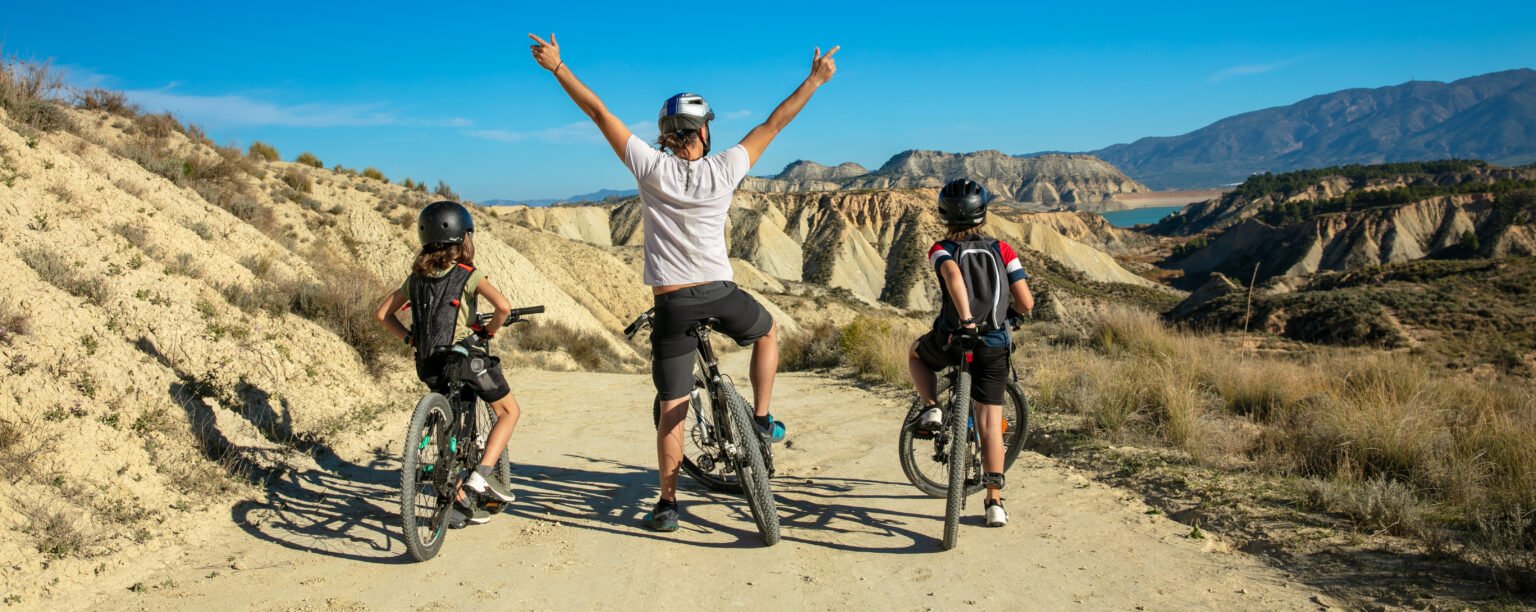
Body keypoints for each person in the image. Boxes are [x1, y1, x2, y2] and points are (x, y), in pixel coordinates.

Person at [527, 32, 839, 532]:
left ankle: (668, 504)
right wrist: (815, 79)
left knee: (673, 406)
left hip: (673, 305)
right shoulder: (725, 168)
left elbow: (599, 114)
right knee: (766, 333)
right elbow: (774, 123)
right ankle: (760, 418)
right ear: (704, 132)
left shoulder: (650, 168)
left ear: (668, 134)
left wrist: (559, 68)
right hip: (720, 292)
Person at [374, 201, 524, 528]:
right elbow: (502, 306)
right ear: (464, 238)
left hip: (428, 364)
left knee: (452, 428)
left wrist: (409, 338)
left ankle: (456, 504)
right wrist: (489, 330)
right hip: (464, 360)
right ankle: (481, 476)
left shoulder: (414, 279)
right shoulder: (467, 275)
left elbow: (382, 315)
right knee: (509, 412)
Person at [908, 179, 1034, 528]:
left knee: (917, 355)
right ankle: (994, 502)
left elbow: (951, 273)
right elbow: (1025, 301)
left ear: (944, 214)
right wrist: (1010, 318)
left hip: (954, 339)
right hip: (994, 344)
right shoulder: (1003, 250)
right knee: (991, 425)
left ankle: (932, 408)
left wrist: (965, 321)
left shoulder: (941, 247)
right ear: (982, 211)